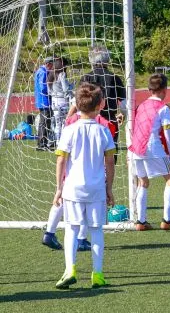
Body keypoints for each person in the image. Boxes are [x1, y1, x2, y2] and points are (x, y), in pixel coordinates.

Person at [53, 83, 115, 289]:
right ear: (101, 105)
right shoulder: (104, 132)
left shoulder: (69, 130)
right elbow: (109, 162)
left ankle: (69, 269)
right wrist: (109, 189)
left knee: (71, 229)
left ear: (77, 105)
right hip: (96, 188)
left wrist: (58, 189)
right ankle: (97, 274)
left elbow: (61, 161)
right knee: (96, 230)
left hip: (72, 189)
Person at [42, 94, 117, 251]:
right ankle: (81, 239)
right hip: (88, 173)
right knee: (85, 206)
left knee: (63, 199)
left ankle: (49, 232)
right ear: (99, 103)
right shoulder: (102, 124)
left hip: (69, 170)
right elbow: (108, 153)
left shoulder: (71, 120)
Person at [128, 73, 170, 231]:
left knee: (143, 182)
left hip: (136, 149)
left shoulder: (141, 106)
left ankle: (141, 221)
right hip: (153, 147)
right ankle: (167, 219)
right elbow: (168, 135)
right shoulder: (164, 108)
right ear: (165, 89)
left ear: (150, 89)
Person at [75, 46, 126, 152]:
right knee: (109, 155)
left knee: (89, 153)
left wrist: (69, 119)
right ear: (107, 59)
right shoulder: (115, 78)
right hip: (109, 121)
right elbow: (124, 105)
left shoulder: (86, 78)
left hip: (88, 121)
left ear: (91, 59)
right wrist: (123, 114)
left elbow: (76, 103)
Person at [34, 56, 56, 151]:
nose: (53, 68)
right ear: (48, 64)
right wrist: (52, 91)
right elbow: (43, 88)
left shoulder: (40, 71)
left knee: (45, 122)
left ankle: (43, 143)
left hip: (43, 101)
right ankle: (42, 144)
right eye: (52, 65)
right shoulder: (43, 72)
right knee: (44, 122)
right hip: (44, 101)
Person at [50, 57, 74, 142]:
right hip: (62, 102)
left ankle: (57, 142)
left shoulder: (51, 74)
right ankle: (63, 141)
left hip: (54, 101)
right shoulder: (62, 74)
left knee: (57, 123)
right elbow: (65, 89)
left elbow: (49, 90)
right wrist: (72, 86)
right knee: (64, 122)